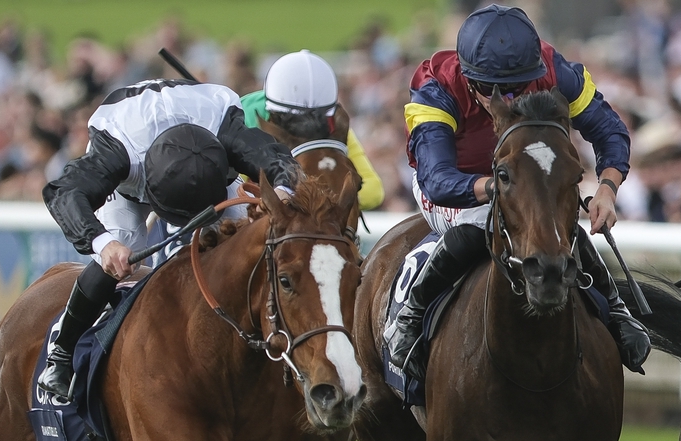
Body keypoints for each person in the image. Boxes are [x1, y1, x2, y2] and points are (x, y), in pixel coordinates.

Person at [391, 4, 649, 377]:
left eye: (516, 88)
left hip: (525, 181)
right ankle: (411, 317)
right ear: (467, 76)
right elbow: (437, 179)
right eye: (491, 89)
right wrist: (499, 186)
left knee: (555, 226)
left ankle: (616, 308)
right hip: (457, 188)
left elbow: (609, 131)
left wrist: (607, 188)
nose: (506, 100)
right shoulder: (436, 89)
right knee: (481, 224)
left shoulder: (556, 71)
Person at [38, 78, 299, 403]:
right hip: (132, 166)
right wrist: (102, 244)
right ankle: (61, 352)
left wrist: (283, 195)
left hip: (203, 154)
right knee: (124, 242)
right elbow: (64, 192)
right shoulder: (116, 153)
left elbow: (280, 159)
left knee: (246, 243)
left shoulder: (227, 129)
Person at [239, 49, 385, 211]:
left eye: (314, 117)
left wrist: (311, 198)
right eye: (295, 120)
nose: (306, 127)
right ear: (274, 115)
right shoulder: (243, 118)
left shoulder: (332, 124)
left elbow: (373, 191)